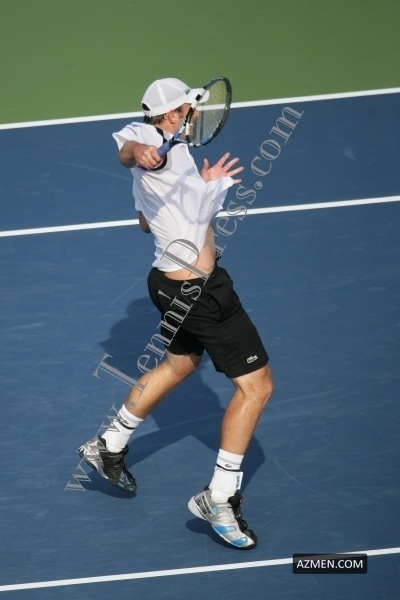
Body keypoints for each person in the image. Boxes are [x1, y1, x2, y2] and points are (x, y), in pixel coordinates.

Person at [78, 77, 274, 550]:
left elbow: (147, 222)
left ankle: (109, 444)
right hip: (201, 293)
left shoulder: (175, 152)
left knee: (180, 364)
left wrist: (196, 190)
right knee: (257, 387)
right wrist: (144, 157)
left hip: (166, 285)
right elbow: (130, 151)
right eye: (189, 108)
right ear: (170, 116)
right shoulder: (147, 142)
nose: (196, 114)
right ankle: (219, 498)